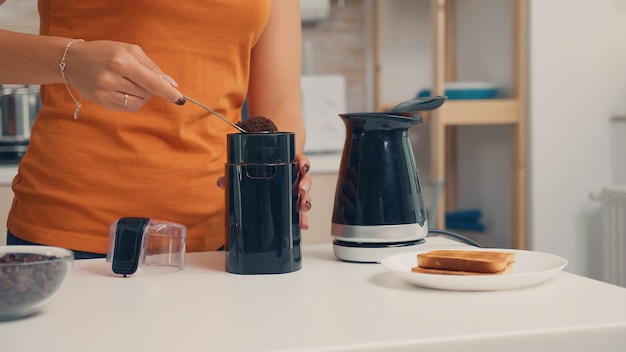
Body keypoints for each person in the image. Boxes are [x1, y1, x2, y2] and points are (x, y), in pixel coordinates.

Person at [0, 0, 312, 259]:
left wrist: (279, 168)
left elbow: (280, 104)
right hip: (73, 235)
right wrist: (69, 59)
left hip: (222, 240)